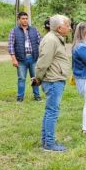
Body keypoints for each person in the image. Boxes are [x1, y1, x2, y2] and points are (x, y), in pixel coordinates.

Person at [34, 15, 72, 152]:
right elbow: (43, 62)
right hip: (53, 80)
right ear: (59, 27)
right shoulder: (51, 40)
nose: (70, 28)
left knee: (50, 111)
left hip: (55, 79)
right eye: (67, 25)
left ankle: (46, 141)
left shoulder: (55, 38)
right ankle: (49, 144)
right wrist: (37, 78)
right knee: (52, 112)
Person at [8, 11, 42, 102]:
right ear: (19, 19)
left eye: (26, 19)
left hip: (33, 58)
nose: (25, 20)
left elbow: (41, 42)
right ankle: (20, 98)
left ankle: (37, 96)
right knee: (21, 78)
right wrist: (13, 59)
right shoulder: (14, 31)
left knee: (35, 78)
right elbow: (11, 45)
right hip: (21, 60)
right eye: (23, 19)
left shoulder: (34, 30)